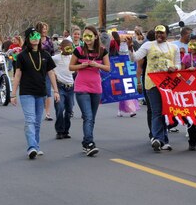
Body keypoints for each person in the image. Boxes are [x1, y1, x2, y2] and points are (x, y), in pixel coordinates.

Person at [127, 24, 180, 152]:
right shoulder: (148, 45)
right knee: (156, 111)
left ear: (167, 34)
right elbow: (134, 58)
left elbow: (178, 64)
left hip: (168, 85)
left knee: (165, 112)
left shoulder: (174, 48)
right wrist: (130, 48)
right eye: (157, 33)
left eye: (162, 33)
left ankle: (163, 140)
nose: (159, 35)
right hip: (152, 83)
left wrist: (175, 68)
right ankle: (157, 138)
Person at [10, 27, 60, 159]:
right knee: (30, 120)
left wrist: (56, 91)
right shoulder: (22, 55)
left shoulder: (45, 55)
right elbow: (17, 74)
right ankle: (31, 147)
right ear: (27, 38)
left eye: (37, 35)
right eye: (32, 36)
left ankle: (36, 146)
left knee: (37, 121)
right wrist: (13, 93)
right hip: (26, 92)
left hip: (41, 92)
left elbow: (51, 73)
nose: (35, 38)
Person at [69, 25, 110, 157]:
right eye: (85, 35)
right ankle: (89, 143)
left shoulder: (102, 51)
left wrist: (97, 64)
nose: (87, 38)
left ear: (95, 36)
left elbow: (108, 68)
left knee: (92, 117)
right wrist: (81, 65)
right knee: (87, 116)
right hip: (81, 87)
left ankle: (86, 142)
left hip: (96, 87)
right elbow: (71, 67)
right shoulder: (79, 51)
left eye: (89, 36)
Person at [53, 39, 75, 140]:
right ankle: (59, 131)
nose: (69, 50)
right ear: (61, 48)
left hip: (70, 87)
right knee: (60, 108)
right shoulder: (56, 58)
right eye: (67, 47)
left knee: (69, 110)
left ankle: (66, 130)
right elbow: (47, 61)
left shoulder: (73, 58)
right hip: (60, 86)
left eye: (71, 48)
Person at [36, 22, 55, 121]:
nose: (45, 30)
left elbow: (52, 54)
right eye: (43, 28)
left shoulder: (49, 40)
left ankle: (47, 113)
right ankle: (38, 109)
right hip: (36, 69)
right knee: (39, 91)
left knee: (48, 91)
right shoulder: (35, 39)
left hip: (47, 68)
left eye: (46, 29)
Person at [117, 34, 140, 118]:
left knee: (129, 89)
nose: (124, 40)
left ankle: (131, 110)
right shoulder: (116, 46)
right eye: (122, 39)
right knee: (123, 90)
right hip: (121, 70)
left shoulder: (132, 45)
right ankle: (121, 110)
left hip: (130, 70)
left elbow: (135, 56)